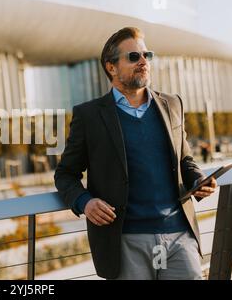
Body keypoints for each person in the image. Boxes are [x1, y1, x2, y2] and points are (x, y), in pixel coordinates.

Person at [54, 27, 217, 280]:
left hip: (178, 236)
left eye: (146, 55)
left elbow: (185, 159)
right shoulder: (89, 116)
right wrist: (84, 202)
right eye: (133, 57)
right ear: (111, 67)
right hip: (125, 242)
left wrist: (197, 180)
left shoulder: (172, 104)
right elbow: (65, 174)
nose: (143, 62)